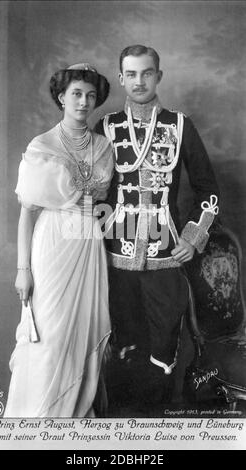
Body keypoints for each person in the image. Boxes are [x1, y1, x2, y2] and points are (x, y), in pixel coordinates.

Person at [95, 45, 220, 414]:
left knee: (163, 347)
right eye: (131, 74)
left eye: (146, 73)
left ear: (158, 76)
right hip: (115, 258)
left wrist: (193, 237)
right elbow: (90, 192)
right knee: (122, 346)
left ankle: (157, 430)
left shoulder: (180, 125)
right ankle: (120, 429)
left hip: (167, 256)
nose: (139, 81)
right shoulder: (107, 126)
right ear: (121, 79)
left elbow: (208, 190)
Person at [4, 63, 114, 418]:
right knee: (49, 337)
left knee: (80, 335)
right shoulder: (42, 145)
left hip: (88, 245)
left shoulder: (103, 145)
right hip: (51, 245)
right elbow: (27, 213)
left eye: (90, 95)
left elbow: (102, 202)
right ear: (61, 97)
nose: (84, 102)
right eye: (77, 94)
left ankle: (74, 415)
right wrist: (23, 270)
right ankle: (38, 418)